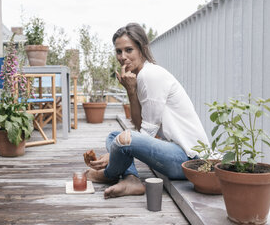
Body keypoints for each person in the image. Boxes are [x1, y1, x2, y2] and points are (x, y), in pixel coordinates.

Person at [86, 23, 209, 199]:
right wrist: (131, 91)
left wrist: (113, 154)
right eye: (118, 51)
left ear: (142, 49)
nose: (123, 57)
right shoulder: (140, 76)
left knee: (120, 141)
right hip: (172, 152)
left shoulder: (150, 75)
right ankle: (131, 179)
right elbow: (138, 125)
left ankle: (108, 174)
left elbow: (147, 133)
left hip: (188, 160)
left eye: (129, 50)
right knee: (115, 136)